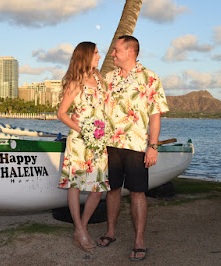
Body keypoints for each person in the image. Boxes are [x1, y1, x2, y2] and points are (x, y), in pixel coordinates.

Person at [73, 35, 169, 260]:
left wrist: (152, 146)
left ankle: (139, 240)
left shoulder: (150, 78)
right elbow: (90, 98)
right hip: (109, 144)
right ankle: (111, 231)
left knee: (137, 192)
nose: (112, 54)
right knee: (112, 190)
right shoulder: (107, 77)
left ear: (130, 52)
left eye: (116, 50)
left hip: (136, 146)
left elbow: (155, 115)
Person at [57, 41, 110, 252]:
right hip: (80, 141)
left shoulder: (100, 79)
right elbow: (61, 113)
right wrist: (81, 129)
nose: (99, 56)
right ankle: (80, 230)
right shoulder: (75, 82)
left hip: (99, 141)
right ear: (86, 56)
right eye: (96, 53)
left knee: (98, 189)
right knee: (75, 184)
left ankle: (82, 228)